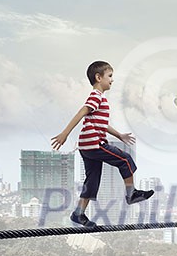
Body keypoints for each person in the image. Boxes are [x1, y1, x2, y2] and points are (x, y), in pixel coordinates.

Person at [51, 61, 154, 227]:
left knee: (92, 180)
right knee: (125, 159)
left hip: (86, 146)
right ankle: (131, 194)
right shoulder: (96, 96)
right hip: (94, 144)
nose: (112, 80)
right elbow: (81, 113)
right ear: (98, 78)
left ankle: (78, 214)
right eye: (110, 76)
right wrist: (65, 133)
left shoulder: (100, 99)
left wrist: (119, 135)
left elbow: (101, 125)